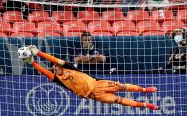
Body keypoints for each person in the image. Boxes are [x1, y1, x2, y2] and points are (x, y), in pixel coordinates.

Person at [22, 45, 159, 110]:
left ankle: (144, 90)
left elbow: (55, 59)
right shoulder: (58, 79)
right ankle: (145, 105)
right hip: (93, 95)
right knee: (120, 100)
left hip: (98, 83)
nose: (55, 68)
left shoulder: (69, 67)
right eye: (53, 69)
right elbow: (45, 72)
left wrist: (39, 53)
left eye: (55, 67)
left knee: (122, 86)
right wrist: (32, 62)